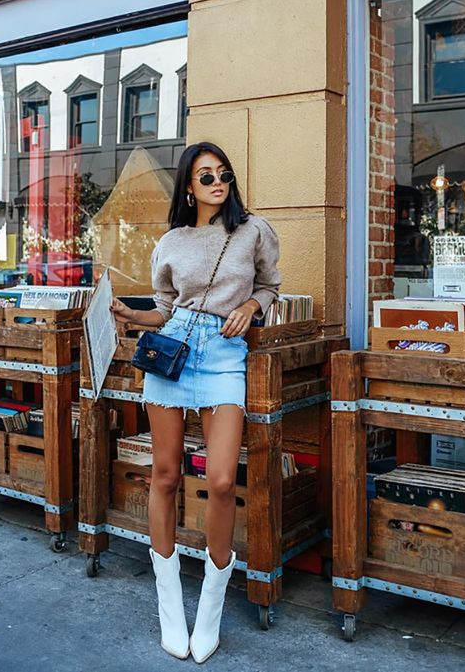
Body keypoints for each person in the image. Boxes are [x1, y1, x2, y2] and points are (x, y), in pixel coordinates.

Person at [111, 141, 280, 663]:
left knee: (224, 481)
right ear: (189, 185)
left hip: (225, 358)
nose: (216, 181)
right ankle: (169, 606)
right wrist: (129, 315)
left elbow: (272, 286)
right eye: (205, 175)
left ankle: (210, 607)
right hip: (172, 356)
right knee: (163, 475)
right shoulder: (172, 241)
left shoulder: (254, 230)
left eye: (223, 173)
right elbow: (165, 308)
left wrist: (252, 303)